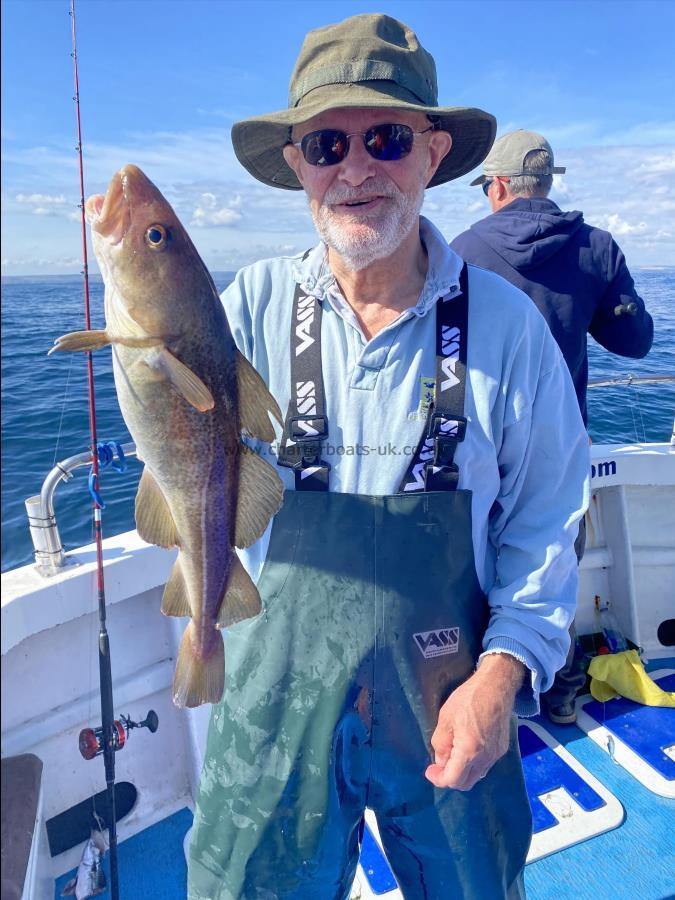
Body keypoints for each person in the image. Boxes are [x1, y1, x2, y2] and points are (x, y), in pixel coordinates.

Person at [188, 15, 589, 899]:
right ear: (296, 163)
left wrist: (503, 673)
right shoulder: (244, 308)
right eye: (327, 143)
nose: (355, 167)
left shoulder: (507, 328)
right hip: (271, 705)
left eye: (387, 138)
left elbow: (547, 523)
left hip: (451, 702)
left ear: (432, 153)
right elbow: (185, 454)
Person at [451, 130, 653, 724]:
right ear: (546, 183)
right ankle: (558, 689)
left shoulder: (462, 249)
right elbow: (636, 341)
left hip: (477, 448)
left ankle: (474, 694)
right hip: (562, 452)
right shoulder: (597, 247)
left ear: (496, 187)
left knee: (475, 564)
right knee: (551, 560)